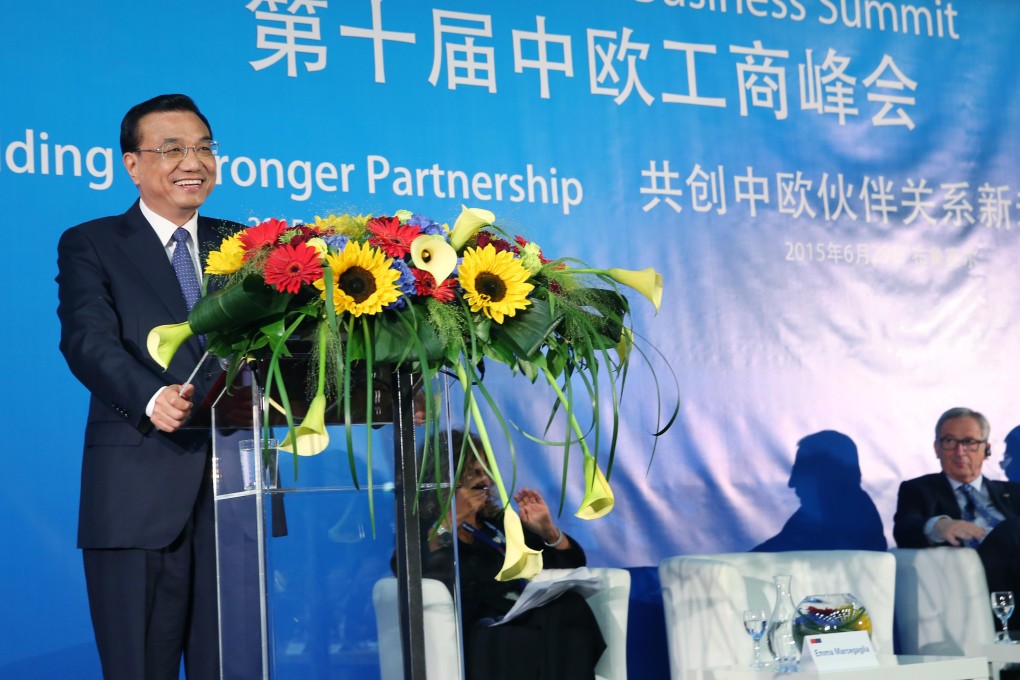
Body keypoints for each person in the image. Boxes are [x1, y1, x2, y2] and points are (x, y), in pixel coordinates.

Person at [56, 94, 240, 679]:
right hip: (137, 491)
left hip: (236, 495)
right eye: (173, 149)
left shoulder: (247, 247)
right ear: (132, 165)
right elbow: (87, 340)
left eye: (204, 148)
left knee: (234, 664)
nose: (194, 162)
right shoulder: (93, 243)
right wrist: (151, 396)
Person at [416, 429, 606, 679]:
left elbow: (571, 564)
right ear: (447, 477)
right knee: (542, 635)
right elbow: (411, 569)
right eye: (475, 473)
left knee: (571, 606)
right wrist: (450, 520)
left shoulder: (497, 521)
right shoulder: (424, 525)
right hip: (477, 630)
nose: (486, 481)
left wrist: (548, 531)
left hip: (519, 616)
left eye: (486, 471)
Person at [893, 407, 1020, 630]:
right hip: (971, 582)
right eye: (950, 441)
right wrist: (939, 525)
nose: (960, 452)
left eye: (969, 442)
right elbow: (905, 528)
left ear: (986, 449)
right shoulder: (919, 490)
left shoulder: (1014, 493)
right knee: (1013, 529)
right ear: (937, 448)